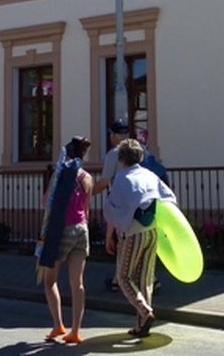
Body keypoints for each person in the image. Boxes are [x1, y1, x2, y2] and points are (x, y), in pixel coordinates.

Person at [103, 138, 176, 338]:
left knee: (124, 277)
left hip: (131, 234)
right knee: (145, 278)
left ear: (121, 159)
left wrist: (109, 237)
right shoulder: (150, 175)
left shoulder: (121, 178)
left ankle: (145, 312)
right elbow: (169, 199)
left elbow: (112, 210)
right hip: (152, 232)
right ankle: (141, 325)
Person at [41, 136, 93, 345]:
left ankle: (58, 324)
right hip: (82, 229)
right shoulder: (87, 178)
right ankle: (75, 331)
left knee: (50, 280)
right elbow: (86, 209)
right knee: (77, 283)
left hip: (62, 230)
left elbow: (46, 201)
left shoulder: (60, 174)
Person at [92, 118, 130, 291]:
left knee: (121, 241)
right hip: (142, 201)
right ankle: (152, 278)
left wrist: (87, 193)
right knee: (137, 239)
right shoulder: (140, 150)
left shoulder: (114, 154)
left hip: (121, 204)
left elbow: (104, 181)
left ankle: (118, 280)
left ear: (114, 136)